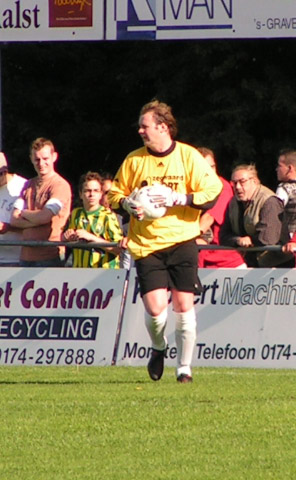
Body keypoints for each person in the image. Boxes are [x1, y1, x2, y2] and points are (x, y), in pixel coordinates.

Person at [107, 100, 222, 383]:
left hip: (182, 239)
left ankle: (184, 368)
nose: (140, 131)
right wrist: (128, 205)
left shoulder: (188, 155)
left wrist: (180, 198)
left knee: (184, 305)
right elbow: (113, 195)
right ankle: (159, 347)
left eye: (145, 126)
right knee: (156, 309)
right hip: (146, 244)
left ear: (163, 127)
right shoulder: (134, 160)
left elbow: (213, 192)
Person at [11, 138, 72, 267]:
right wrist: (38, 219)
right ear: (31, 159)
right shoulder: (27, 185)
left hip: (50, 255)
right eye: (37, 159)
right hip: (25, 256)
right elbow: (13, 220)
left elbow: (45, 217)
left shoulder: (60, 185)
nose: (41, 163)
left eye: (45, 158)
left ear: (54, 157)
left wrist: (24, 213)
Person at [220, 164, 292, 268]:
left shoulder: (269, 201)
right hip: (252, 263)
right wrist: (238, 240)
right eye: (234, 183)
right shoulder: (233, 203)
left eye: (242, 182)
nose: (238, 187)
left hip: (278, 265)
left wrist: (249, 241)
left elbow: (268, 238)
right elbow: (223, 236)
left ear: (254, 181)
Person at [196, 147, 246, 269]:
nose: (210, 172)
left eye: (212, 167)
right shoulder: (189, 187)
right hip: (199, 257)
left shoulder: (222, 187)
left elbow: (208, 218)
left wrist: (186, 239)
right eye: (205, 168)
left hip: (225, 259)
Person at [62, 171, 123, 268]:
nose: (91, 194)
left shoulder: (108, 216)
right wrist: (66, 237)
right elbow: (64, 239)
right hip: (79, 273)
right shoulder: (75, 214)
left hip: (104, 273)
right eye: (87, 191)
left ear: (101, 194)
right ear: (81, 194)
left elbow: (118, 249)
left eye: (96, 191)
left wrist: (92, 238)